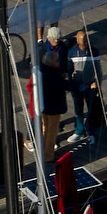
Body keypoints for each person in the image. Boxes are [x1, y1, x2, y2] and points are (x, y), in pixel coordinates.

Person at [38, 26, 69, 161]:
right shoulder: (55, 76)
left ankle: (42, 151)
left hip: (44, 105)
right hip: (53, 107)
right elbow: (63, 87)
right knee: (51, 131)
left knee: (45, 128)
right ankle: (48, 155)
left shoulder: (42, 73)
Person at [69, 29, 102, 145]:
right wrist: (72, 86)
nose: (86, 44)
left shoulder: (94, 51)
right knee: (78, 109)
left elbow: (98, 70)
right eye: (83, 41)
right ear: (77, 41)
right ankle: (79, 130)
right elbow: (69, 71)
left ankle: (90, 132)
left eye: (87, 41)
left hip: (90, 86)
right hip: (77, 85)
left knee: (91, 109)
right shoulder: (72, 52)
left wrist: (97, 83)